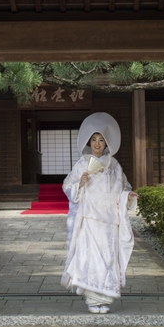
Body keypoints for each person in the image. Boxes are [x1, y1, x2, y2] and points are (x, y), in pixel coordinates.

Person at [60, 112, 138, 313]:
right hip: (89, 219)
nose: (97, 143)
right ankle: (93, 299)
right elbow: (67, 185)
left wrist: (127, 196)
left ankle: (105, 297)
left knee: (108, 257)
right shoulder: (82, 164)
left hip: (109, 220)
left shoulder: (114, 165)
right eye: (93, 139)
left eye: (101, 140)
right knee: (91, 257)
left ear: (107, 143)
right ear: (89, 141)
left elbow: (123, 187)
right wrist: (81, 183)